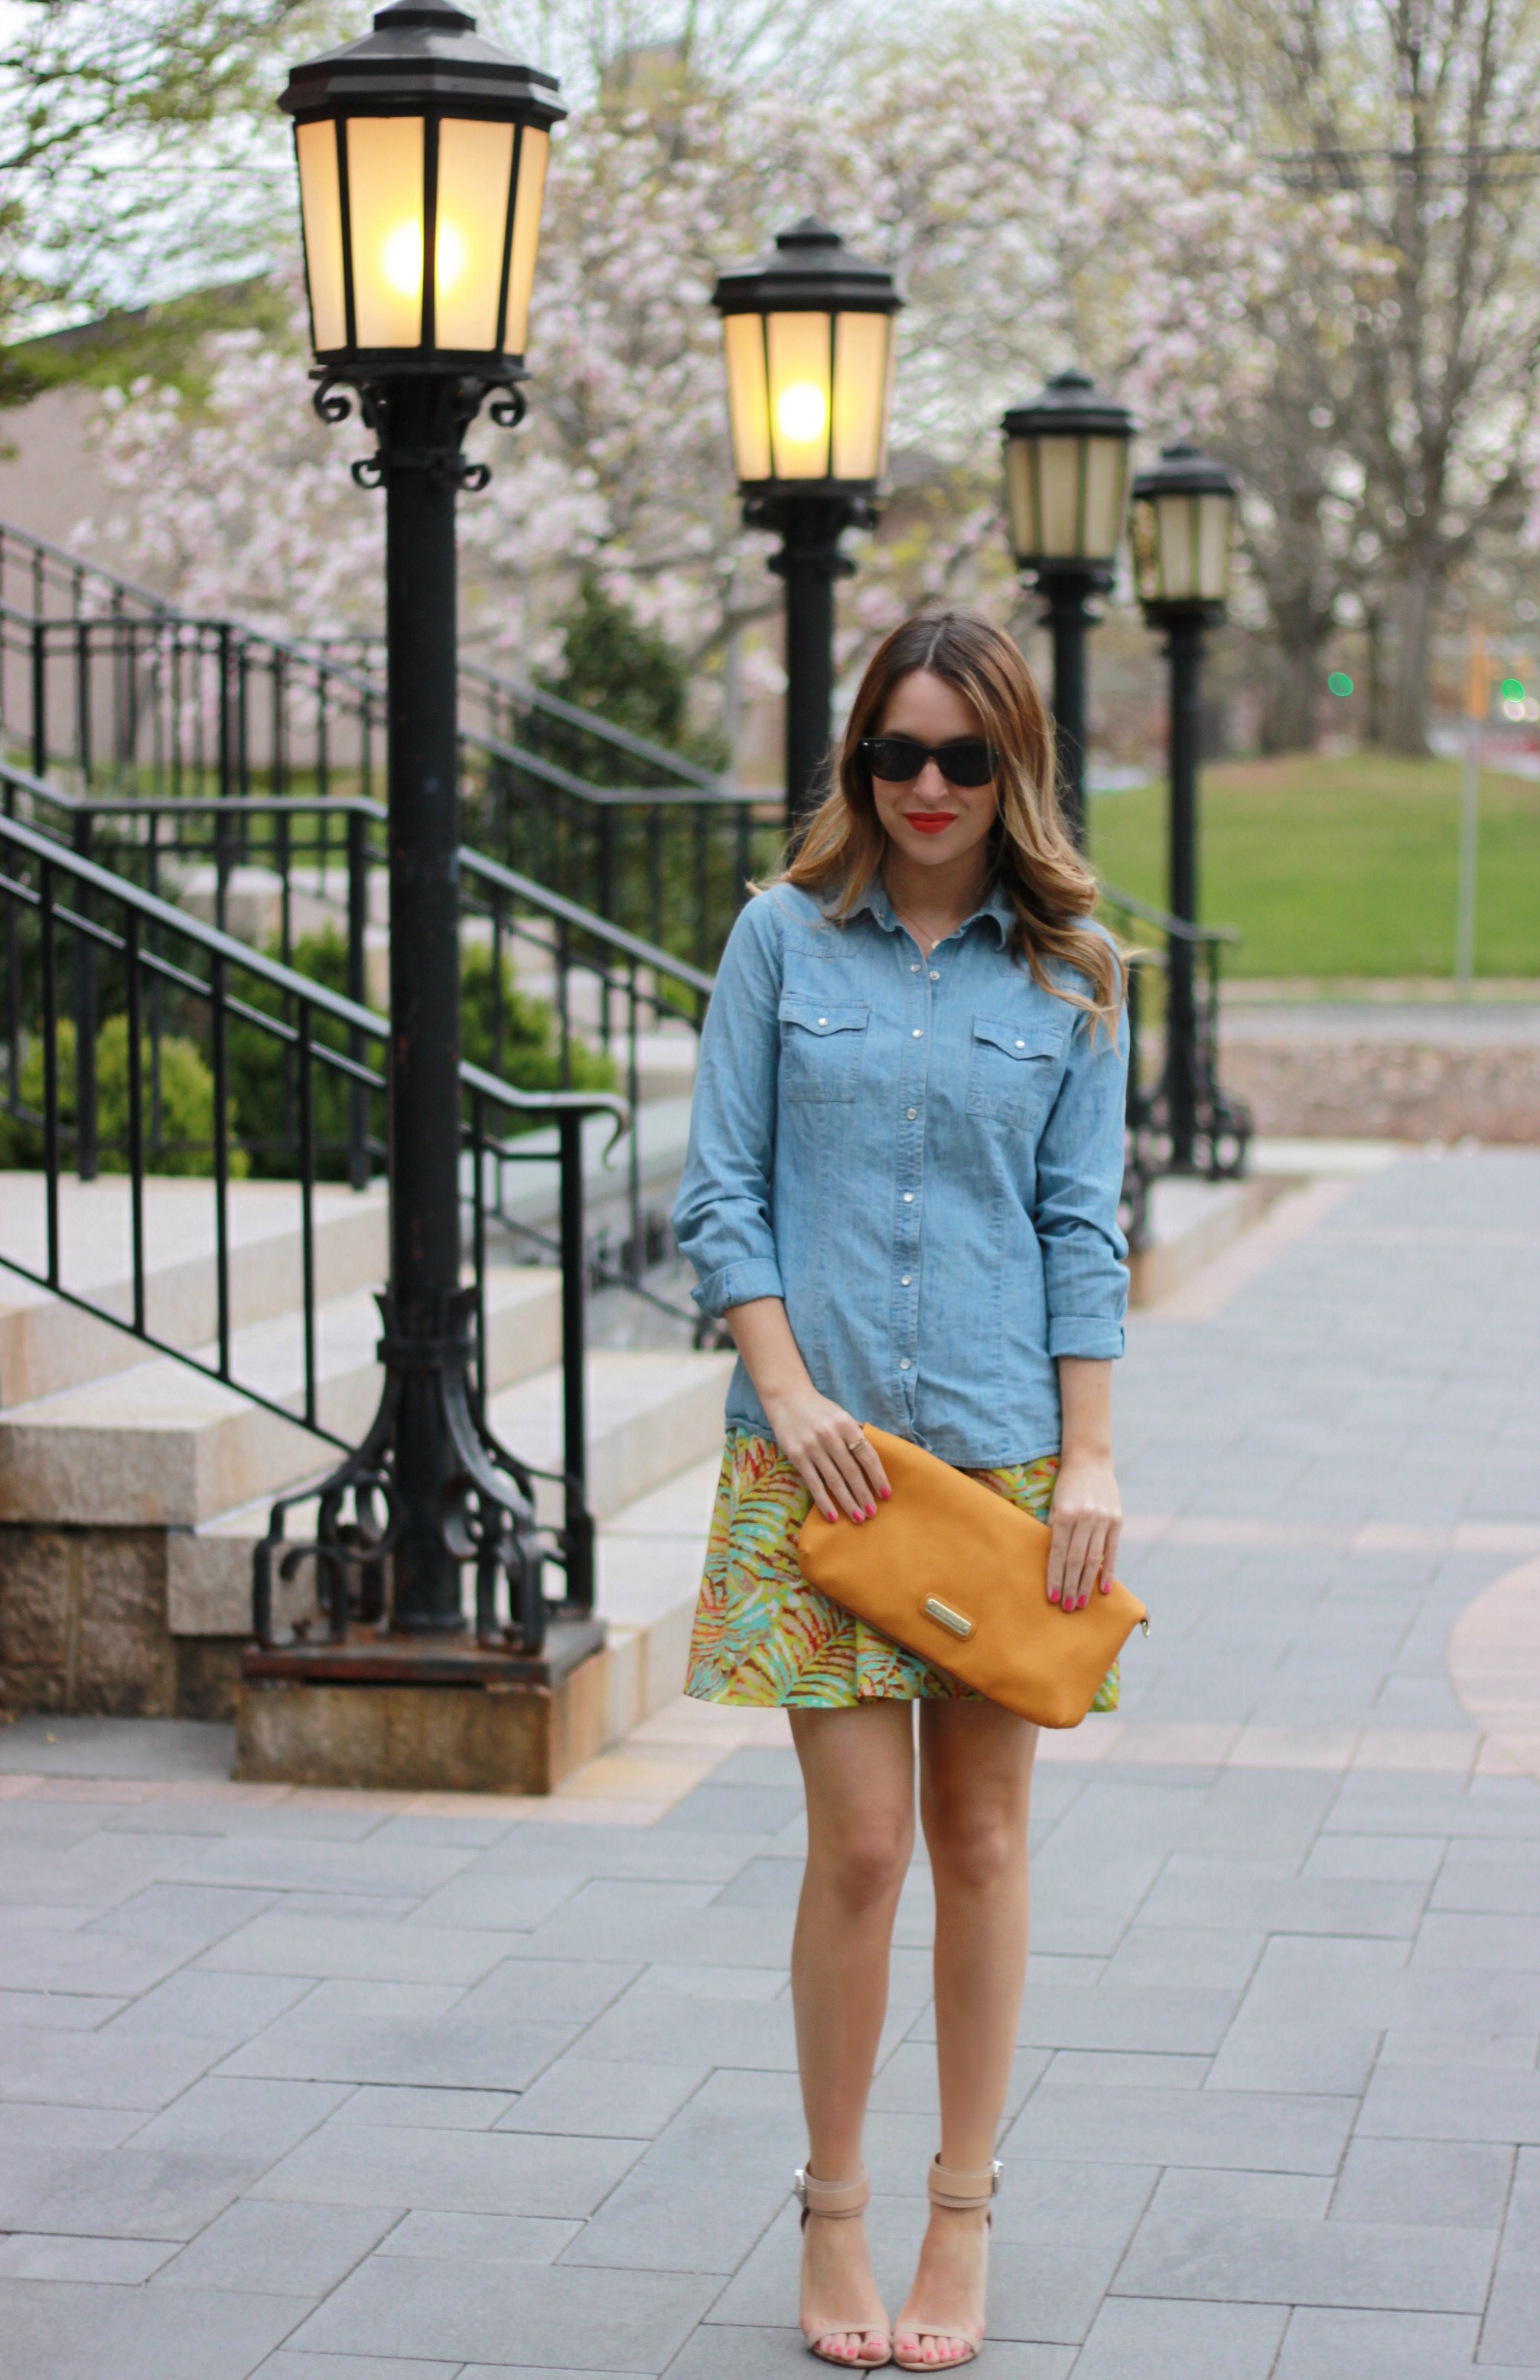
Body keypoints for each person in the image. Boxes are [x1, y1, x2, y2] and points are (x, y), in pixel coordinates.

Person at [672, 609, 1128, 2370]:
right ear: (855, 762)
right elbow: (724, 1193)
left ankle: (962, 2217)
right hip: (822, 1457)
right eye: (894, 753)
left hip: (1005, 1451)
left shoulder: (1074, 971)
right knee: (859, 1845)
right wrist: (783, 1398)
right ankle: (834, 2208)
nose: (925, 787)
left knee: (983, 1836)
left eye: (960, 756)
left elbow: (1080, 1223)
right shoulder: (779, 941)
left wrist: (1089, 1451)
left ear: (1009, 765)